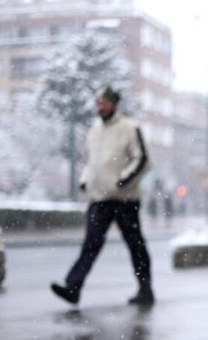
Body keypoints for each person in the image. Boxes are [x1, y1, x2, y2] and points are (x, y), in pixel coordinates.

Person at [51, 86, 155, 306]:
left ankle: (145, 289)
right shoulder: (94, 131)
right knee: (90, 244)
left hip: (126, 199)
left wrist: (123, 180)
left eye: (103, 102)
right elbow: (91, 163)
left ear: (114, 104)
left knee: (135, 245)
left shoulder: (130, 128)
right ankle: (73, 287)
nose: (100, 106)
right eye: (97, 103)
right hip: (99, 199)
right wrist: (84, 181)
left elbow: (142, 159)